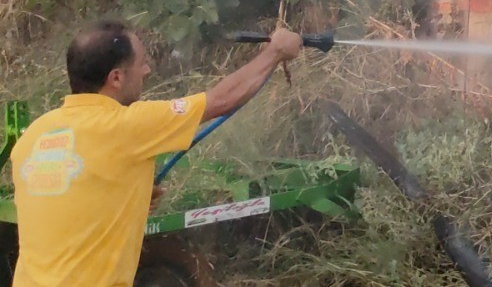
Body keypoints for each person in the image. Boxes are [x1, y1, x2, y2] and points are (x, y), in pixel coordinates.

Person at [8, 22, 303, 287]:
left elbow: (64, 201)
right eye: (142, 64)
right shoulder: (127, 125)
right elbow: (220, 100)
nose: (147, 71)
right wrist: (275, 52)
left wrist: (122, 194)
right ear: (116, 78)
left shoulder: (34, 135)